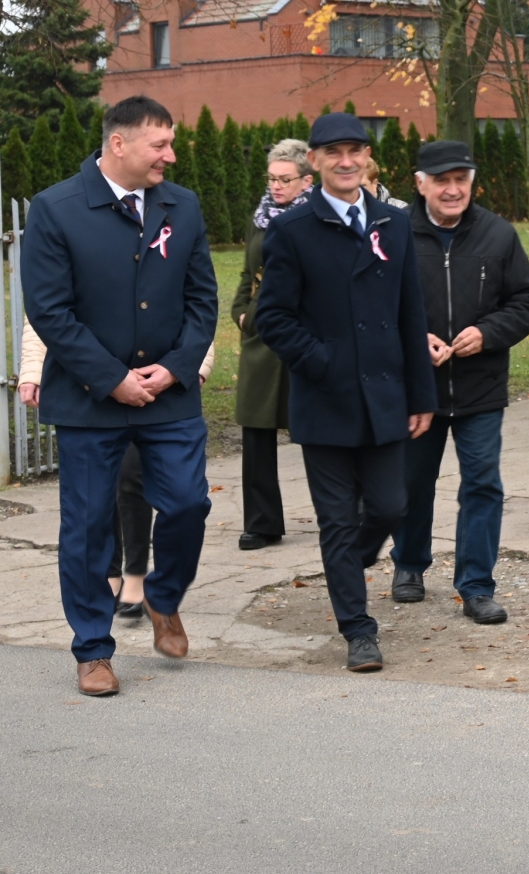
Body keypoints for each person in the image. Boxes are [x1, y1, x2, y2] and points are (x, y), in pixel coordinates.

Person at [21, 95, 218, 697]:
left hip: (169, 398)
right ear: (118, 144)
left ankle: (163, 595)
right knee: (87, 528)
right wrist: (112, 379)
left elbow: (203, 300)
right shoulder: (56, 208)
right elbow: (49, 310)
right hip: (89, 402)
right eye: (160, 145)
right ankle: (93, 651)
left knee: (187, 503)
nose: (171, 156)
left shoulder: (183, 206)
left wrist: (175, 368)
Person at [256, 112, 436, 673]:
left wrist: (422, 395)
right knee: (336, 521)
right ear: (314, 161)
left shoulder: (393, 222)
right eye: (333, 152)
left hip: (385, 396)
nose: (346, 160)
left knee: (390, 506)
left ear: (367, 158)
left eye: (355, 150)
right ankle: (358, 629)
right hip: (326, 400)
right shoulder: (292, 228)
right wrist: (323, 361)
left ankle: (344, 566)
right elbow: (273, 318)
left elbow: (411, 313)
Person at [390, 140, 529, 623]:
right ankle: (409, 562)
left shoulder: (498, 234)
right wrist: (414, 341)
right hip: (418, 390)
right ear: (420, 185)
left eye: (461, 179)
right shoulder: (393, 234)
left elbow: (527, 300)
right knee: (412, 482)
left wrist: (489, 333)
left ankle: (476, 586)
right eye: (442, 181)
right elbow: (374, 306)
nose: (453, 190)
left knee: (482, 484)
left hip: (481, 387)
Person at [18, 320, 215, 617]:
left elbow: (195, 311)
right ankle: (110, 575)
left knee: (133, 480)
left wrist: (191, 367)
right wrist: (33, 372)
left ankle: (136, 575)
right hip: (88, 380)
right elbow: (44, 316)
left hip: (155, 383)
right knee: (97, 494)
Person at [232, 139, 313, 550]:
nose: (276, 186)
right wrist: (242, 311)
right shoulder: (261, 217)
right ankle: (262, 522)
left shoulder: (321, 217)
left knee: (319, 428)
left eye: (285, 179)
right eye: (271, 179)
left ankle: (341, 515)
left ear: (307, 180)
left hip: (306, 334)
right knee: (256, 430)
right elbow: (248, 274)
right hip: (261, 337)